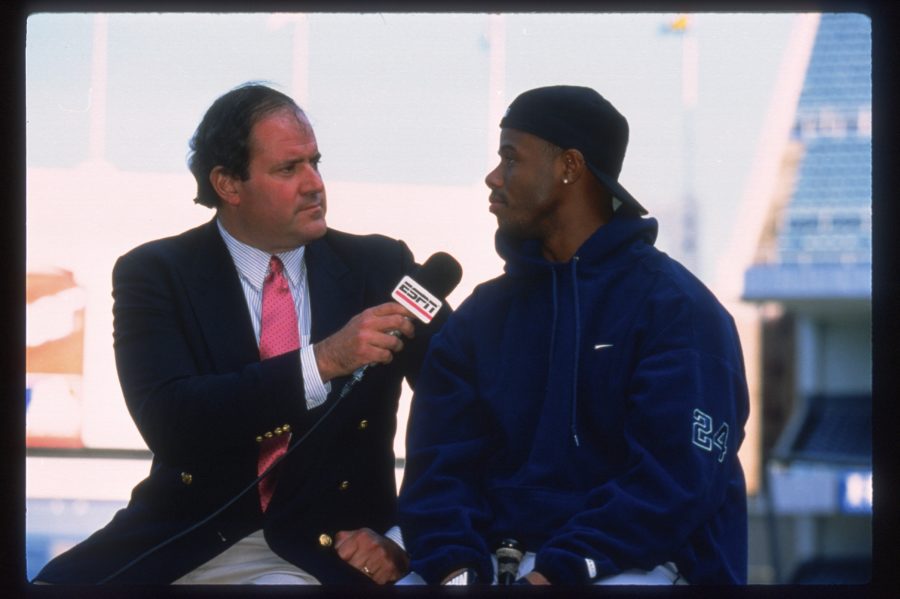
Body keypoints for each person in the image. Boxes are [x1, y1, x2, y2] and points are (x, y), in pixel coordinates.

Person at [33, 82, 446, 585]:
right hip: (182, 538)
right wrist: (323, 361)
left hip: (332, 549)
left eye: (316, 162)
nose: (315, 183)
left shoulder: (382, 266)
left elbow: (462, 412)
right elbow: (171, 420)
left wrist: (403, 538)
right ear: (228, 184)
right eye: (288, 169)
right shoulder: (155, 272)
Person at [397, 85, 749, 586]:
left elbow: (675, 483)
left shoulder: (679, 310)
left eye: (511, 157)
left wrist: (558, 574)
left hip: (636, 562)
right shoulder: (481, 316)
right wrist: (456, 569)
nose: (493, 177)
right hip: (493, 564)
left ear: (569, 166)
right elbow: (437, 473)